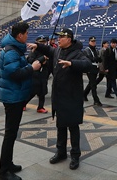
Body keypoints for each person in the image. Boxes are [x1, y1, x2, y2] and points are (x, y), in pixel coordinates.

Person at [33, 28, 91, 170]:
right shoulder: (58, 50)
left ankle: (75, 155)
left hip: (72, 97)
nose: (59, 39)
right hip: (59, 96)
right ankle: (61, 152)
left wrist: (72, 64)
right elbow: (49, 50)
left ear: (69, 39)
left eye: (62, 37)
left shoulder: (78, 52)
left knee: (73, 126)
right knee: (60, 125)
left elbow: (88, 64)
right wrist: (38, 46)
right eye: (58, 37)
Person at [0, 22, 43, 180]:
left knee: (11, 133)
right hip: (12, 97)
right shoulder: (11, 51)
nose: (27, 36)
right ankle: (4, 172)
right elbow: (15, 74)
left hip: (15, 95)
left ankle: (8, 164)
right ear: (19, 35)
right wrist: (33, 68)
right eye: (26, 33)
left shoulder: (14, 48)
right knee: (10, 134)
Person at [24, 35, 50, 113]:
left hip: (43, 74)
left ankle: (40, 107)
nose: (42, 44)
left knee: (42, 92)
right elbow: (30, 60)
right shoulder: (34, 51)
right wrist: (42, 59)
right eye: (40, 42)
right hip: (35, 75)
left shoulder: (46, 51)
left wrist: (46, 63)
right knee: (33, 91)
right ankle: (23, 103)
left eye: (43, 42)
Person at [82, 36, 103, 106]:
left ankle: (84, 94)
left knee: (91, 83)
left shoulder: (96, 50)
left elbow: (98, 58)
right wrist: (96, 58)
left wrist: (98, 59)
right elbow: (89, 59)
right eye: (92, 41)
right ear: (89, 42)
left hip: (95, 68)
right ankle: (96, 100)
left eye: (94, 41)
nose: (93, 43)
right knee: (93, 85)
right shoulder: (86, 50)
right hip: (90, 68)